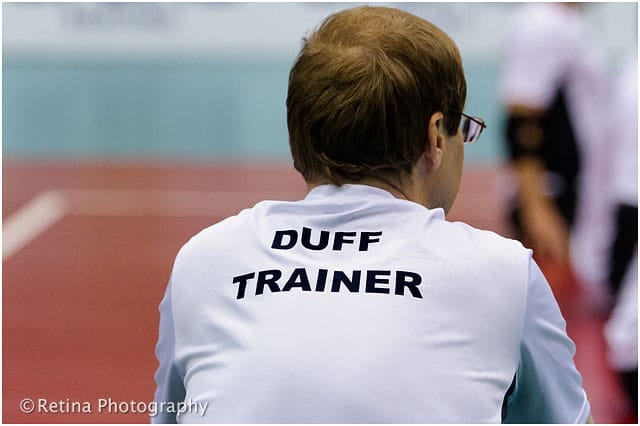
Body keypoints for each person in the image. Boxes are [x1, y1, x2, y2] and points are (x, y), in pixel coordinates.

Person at [153, 6, 591, 423]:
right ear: (436, 137)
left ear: (297, 136)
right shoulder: (503, 273)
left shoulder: (204, 260)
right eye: (464, 129)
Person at [498, 3, 612, 309]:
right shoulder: (540, 24)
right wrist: (536, 204)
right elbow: (522, 121)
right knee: (548, 313)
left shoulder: (569, 24)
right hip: (553, 193)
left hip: (581, 192)